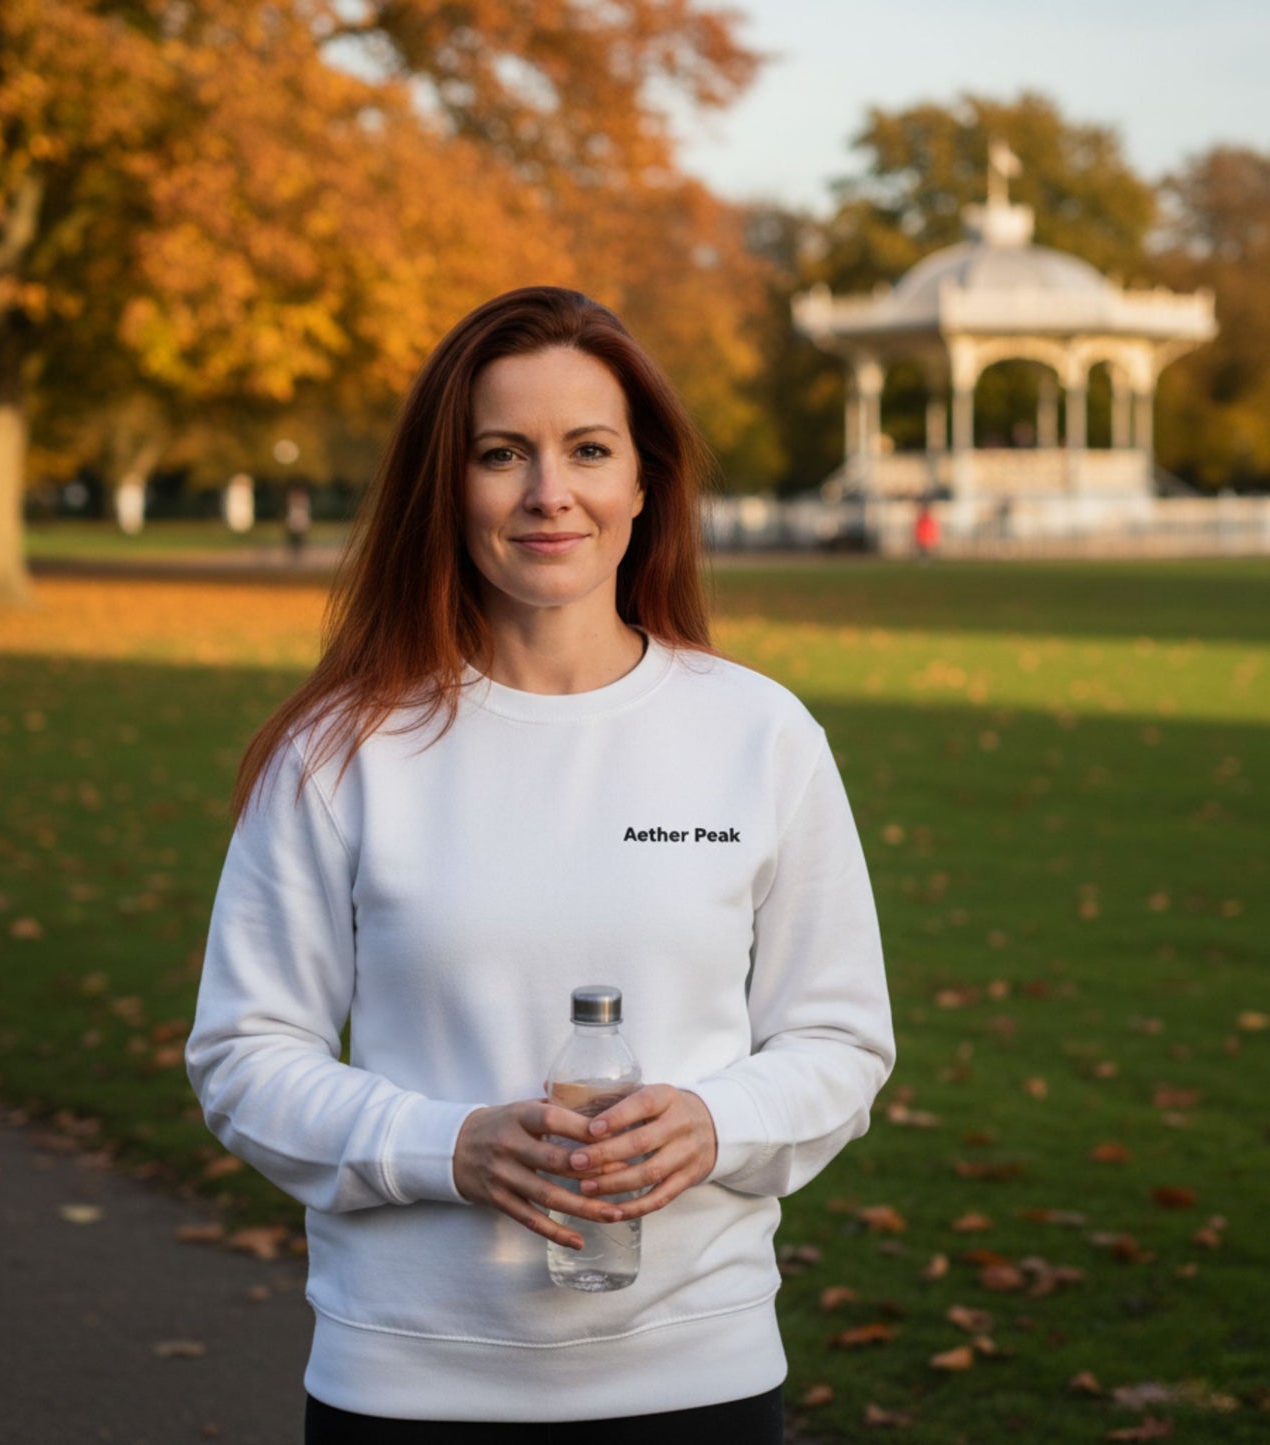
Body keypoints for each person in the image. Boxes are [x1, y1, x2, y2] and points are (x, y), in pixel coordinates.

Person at [185, 287, 895, 1442]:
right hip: (408, 1383)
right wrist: (445, 1146)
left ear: (643, 480)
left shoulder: (758, 734)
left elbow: (840, 1038)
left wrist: (714, 1120)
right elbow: (243, 1055)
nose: (546, 492)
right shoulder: (341, 750)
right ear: (446, 484)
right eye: (500, 453)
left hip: (696, 1379)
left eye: (587, 450)